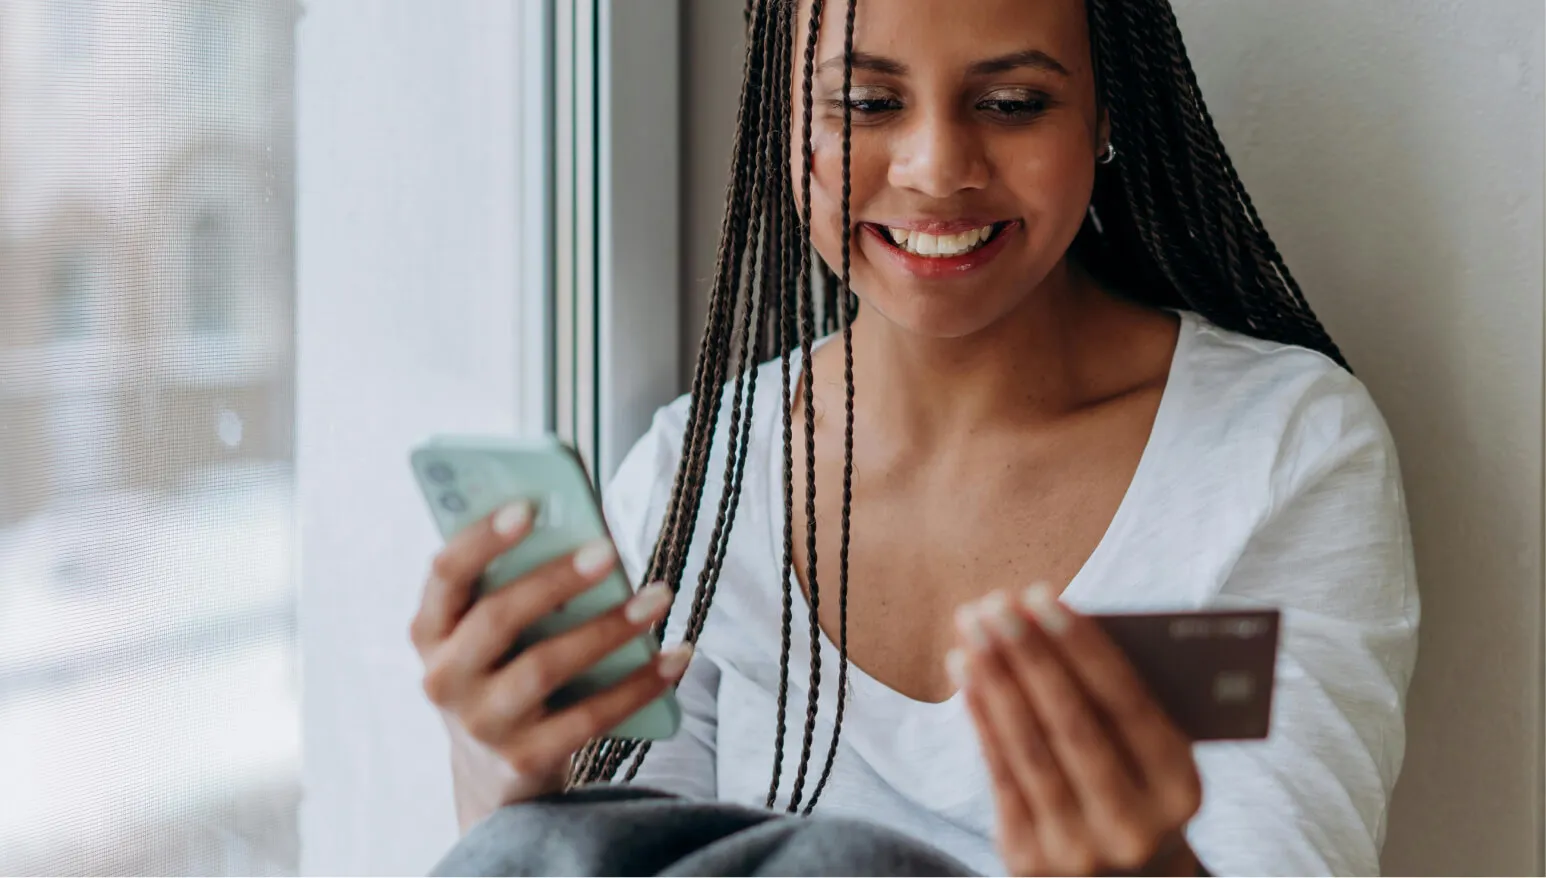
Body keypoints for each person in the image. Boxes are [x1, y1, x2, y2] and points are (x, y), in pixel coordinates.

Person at [409, 0, 1419, 873]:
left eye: (1013, 103)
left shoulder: (1279, 450)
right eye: (864, 102)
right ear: (783, 116)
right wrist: (503, 767)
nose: (938, 170)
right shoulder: (699, 477)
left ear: (1108, 111)